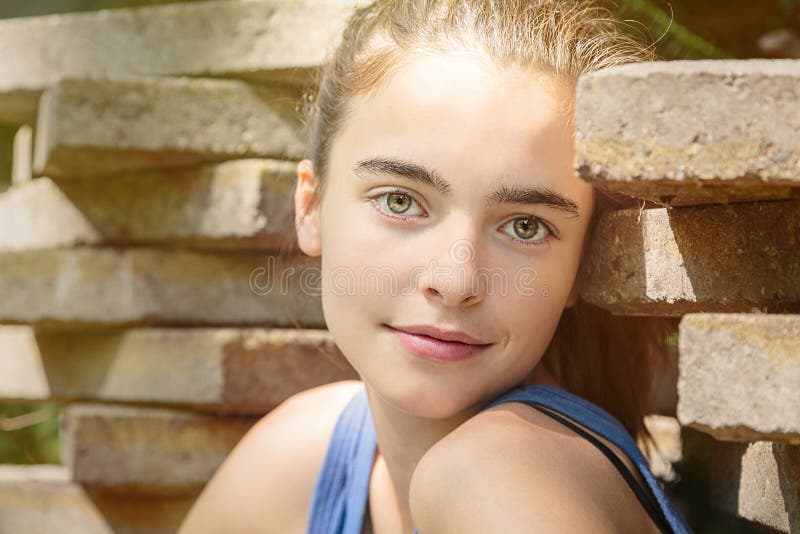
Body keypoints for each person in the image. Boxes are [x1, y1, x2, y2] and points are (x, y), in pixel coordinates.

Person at [179, 1, 693, 533]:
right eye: (399, 201)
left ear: (580, 265)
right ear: (310, 207)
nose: (454, 282)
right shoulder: (302, 456)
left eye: (525, 226)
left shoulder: (502, 479)